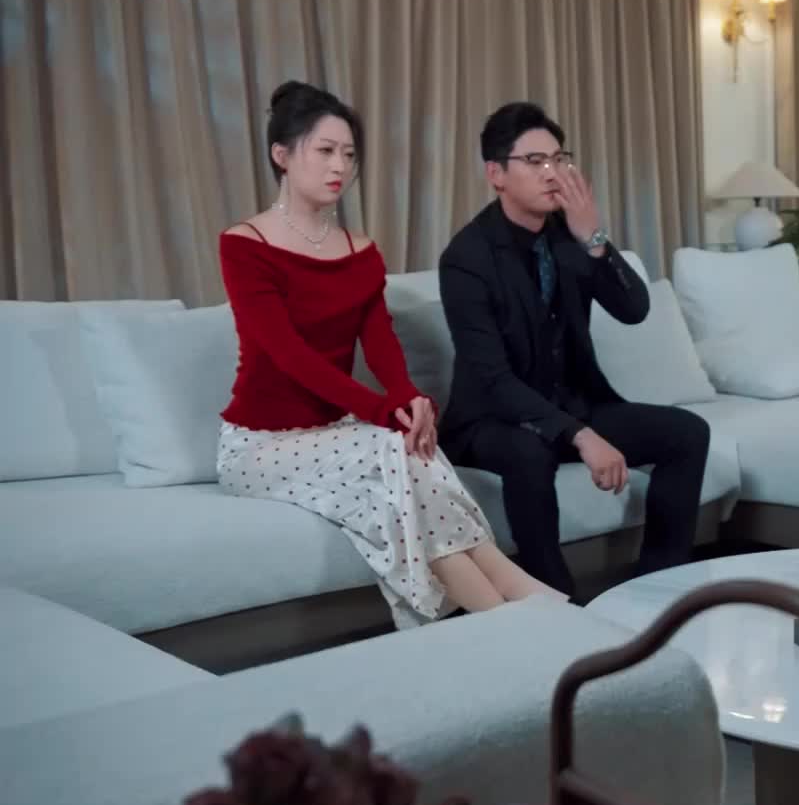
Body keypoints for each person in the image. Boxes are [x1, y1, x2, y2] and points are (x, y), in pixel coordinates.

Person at [217, 81, 567, 629]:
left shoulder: (359, 250)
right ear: (282, 156)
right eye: (325, 151)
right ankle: (532, 613)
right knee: (394, 447)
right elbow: (288, 355)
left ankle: (509, 621)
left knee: (408, 464)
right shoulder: (245, 245)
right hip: (261, 446)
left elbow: (380, 341)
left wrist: (407, 398)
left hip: (335, 436)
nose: (340, 166)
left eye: (349, 154)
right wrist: (384, 411)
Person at [438, 101, 711, 597]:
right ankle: (556, 605)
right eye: (535, 161)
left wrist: (595, 240)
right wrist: (581, 436)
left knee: (688, 433)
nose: (553, 172)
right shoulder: (467, 258)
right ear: (496, 174)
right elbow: (494, 380)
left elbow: (634, 309)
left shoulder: (571, 233)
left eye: (559, 159)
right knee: (529, 452)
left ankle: (659, 588)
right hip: (493, 421)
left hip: (572, 406)